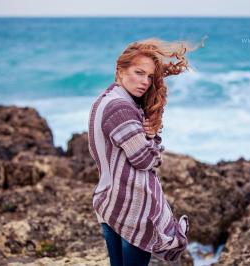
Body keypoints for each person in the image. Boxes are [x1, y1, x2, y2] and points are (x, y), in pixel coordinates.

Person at [87, 38, 203, 265]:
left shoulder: (105, 100)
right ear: (120, 70)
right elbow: (145, 159)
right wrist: (152, 136)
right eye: (139, 73)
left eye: (149, 77)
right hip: (133, 208)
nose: (145, 82)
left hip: (110, 201)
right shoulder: (120, 108)